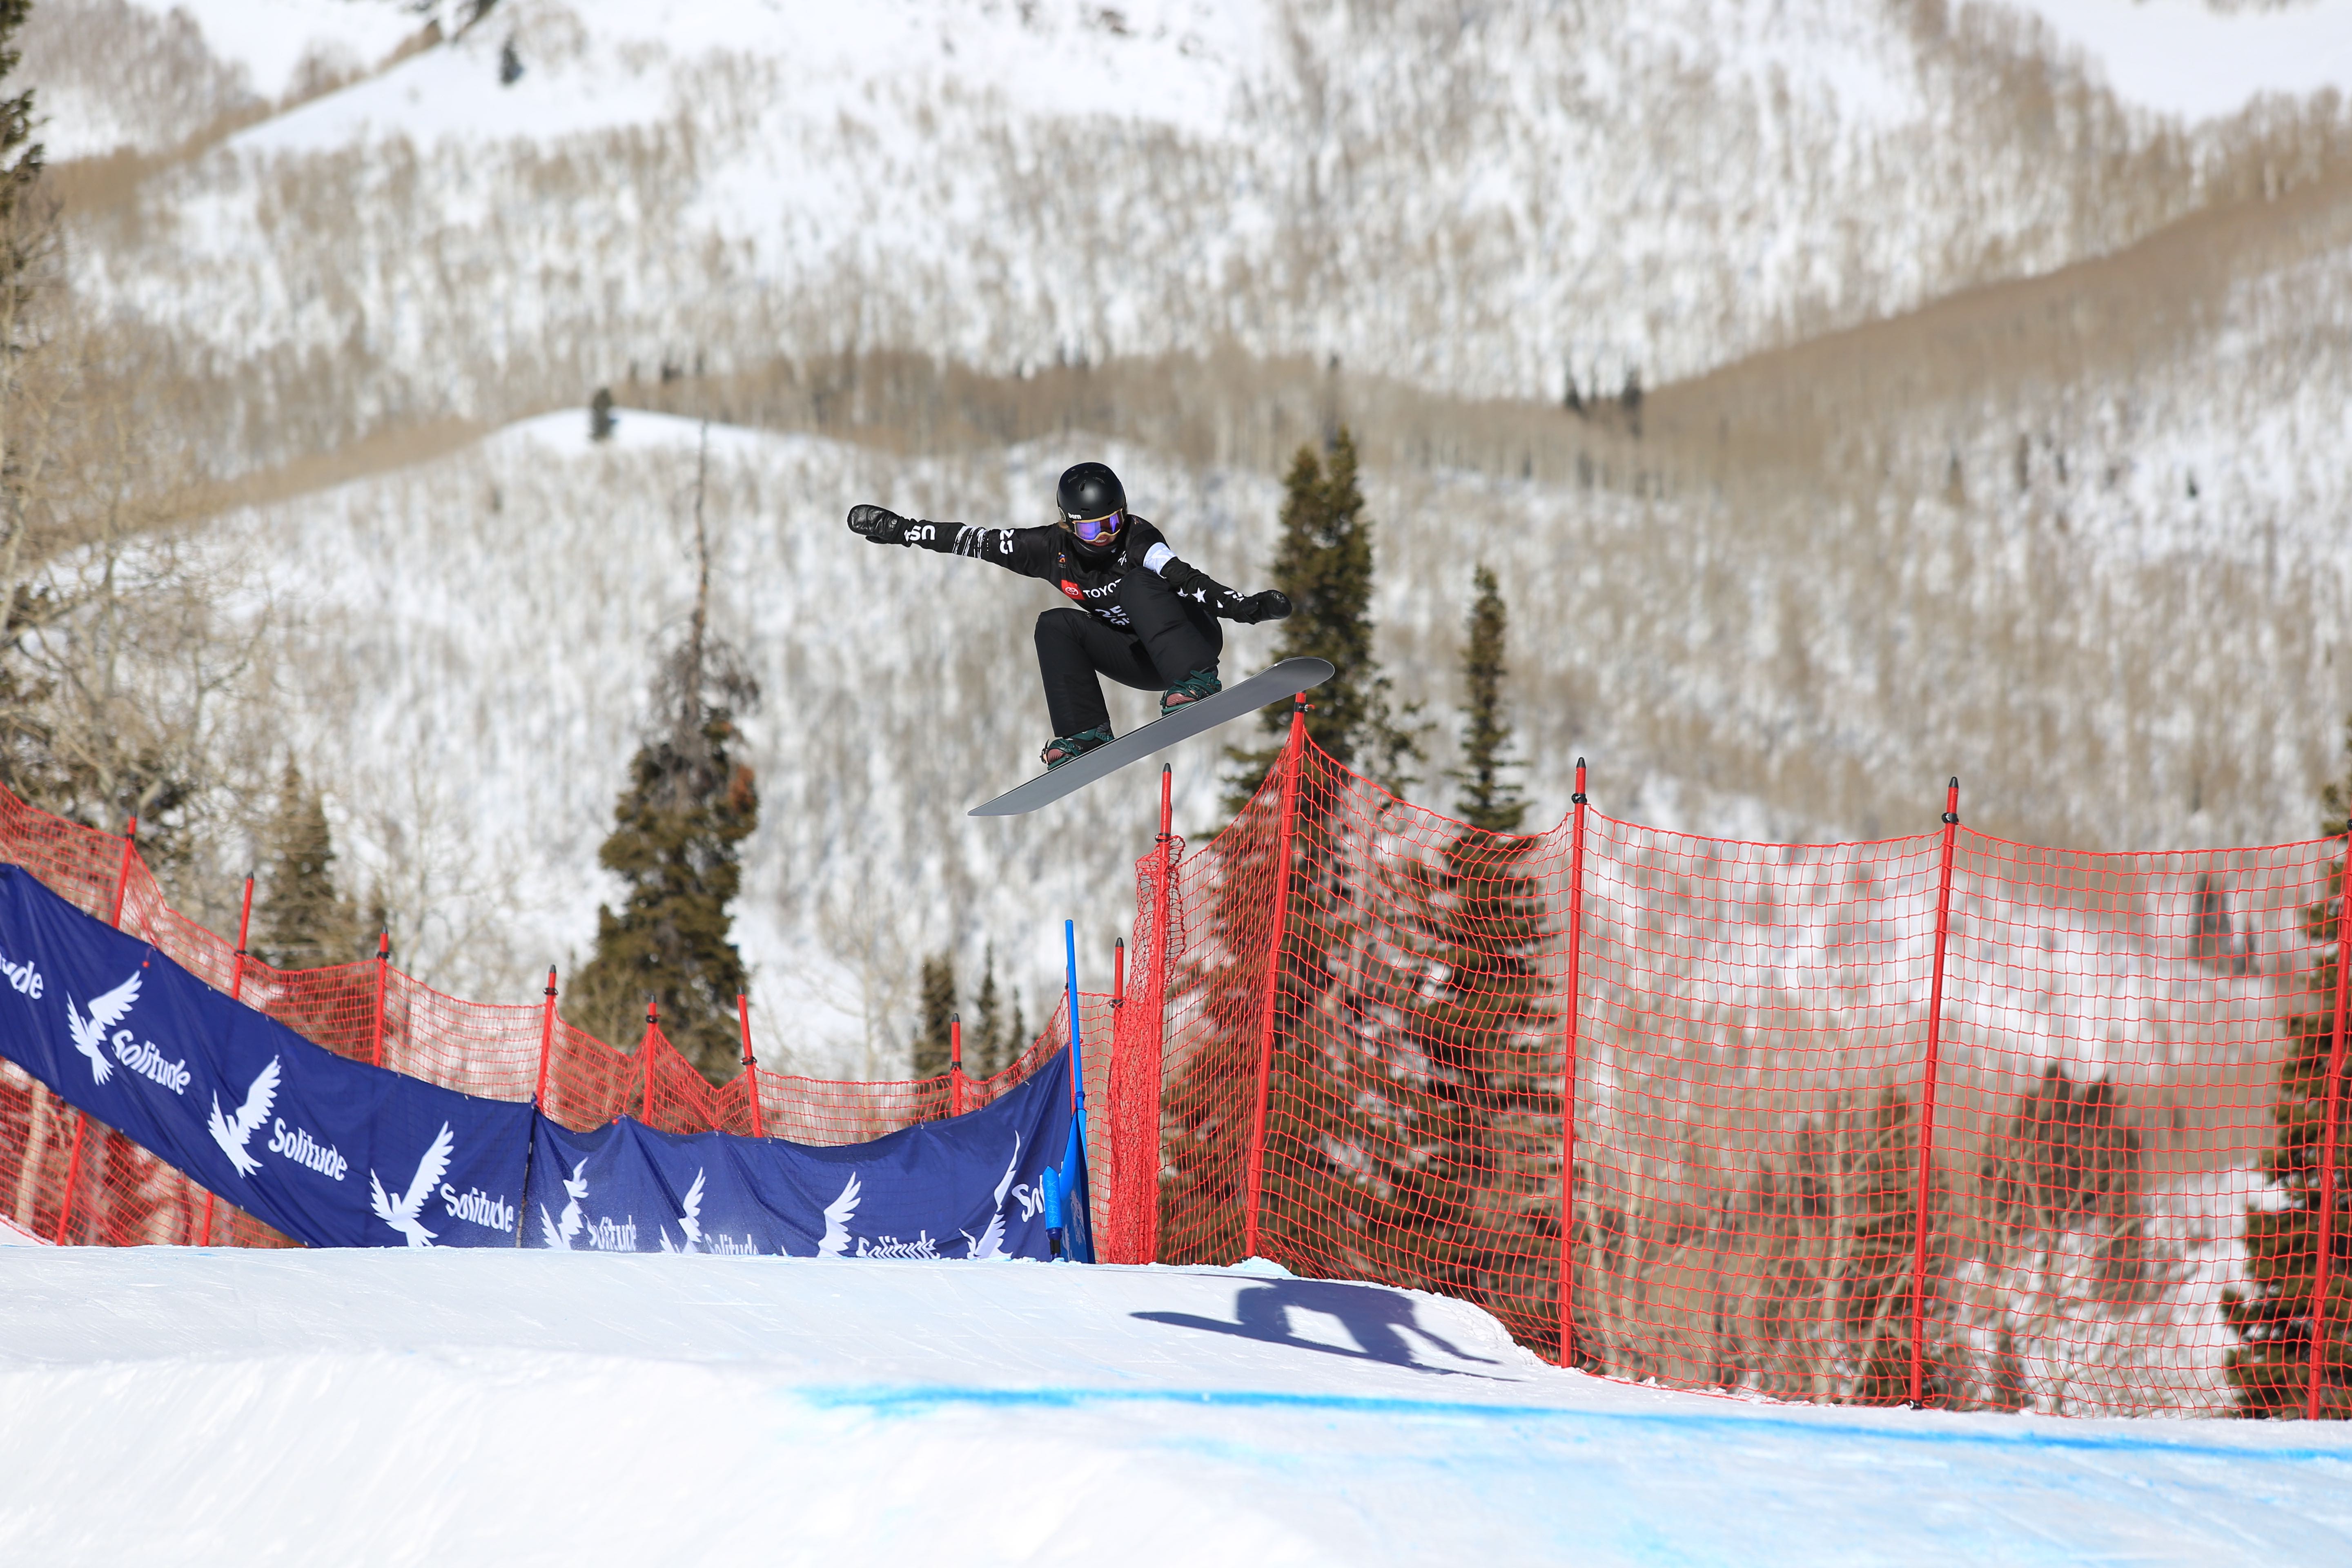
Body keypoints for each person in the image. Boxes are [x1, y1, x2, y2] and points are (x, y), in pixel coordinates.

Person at [847, 462, 1292, 768]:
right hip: (1141, 658)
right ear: (1068, 524)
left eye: (1114, 522)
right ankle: (1086, 732)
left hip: (1189, 642)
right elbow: (974, 540)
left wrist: (1245, 608)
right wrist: (903, 531)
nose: (1107, 537)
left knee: (1138, 583)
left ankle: (1197, 681)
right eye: (1093, 529)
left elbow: (1189, 579)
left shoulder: (1140, 542)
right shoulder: (1048, 551)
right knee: (1054, 625)